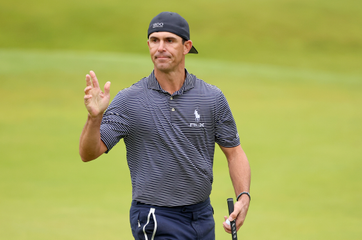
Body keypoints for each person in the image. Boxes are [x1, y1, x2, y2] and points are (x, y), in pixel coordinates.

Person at [79, 11, 251, 240]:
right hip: (155, 217)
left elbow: (234, 153)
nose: (160, 47)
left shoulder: (211, 97)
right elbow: (89, 153)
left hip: (202, 216)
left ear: (186, 46)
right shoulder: (130, 100)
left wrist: (243, 197)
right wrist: (94, 119)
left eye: (169, 40)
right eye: (154, 40)